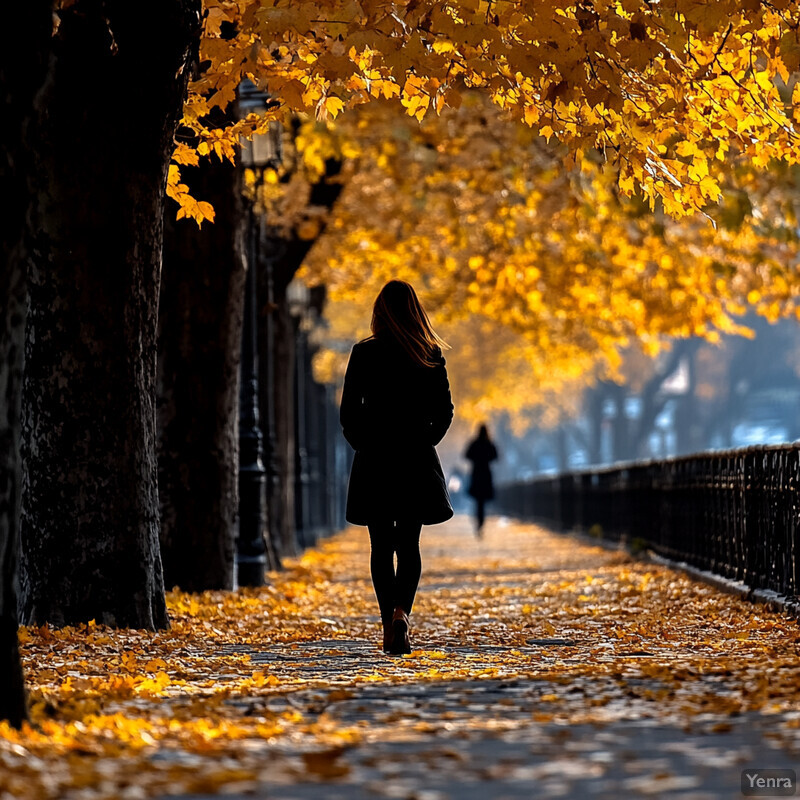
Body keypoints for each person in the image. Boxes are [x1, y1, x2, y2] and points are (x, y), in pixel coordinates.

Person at [340, 280, 454, 655]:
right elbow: (445, 411)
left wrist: (364, 443)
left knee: (380, 546)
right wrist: (425, 440)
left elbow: (348, 412)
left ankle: (388, 618)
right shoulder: (429, 353)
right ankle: (402, 612)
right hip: (414, 460)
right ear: (415, 311)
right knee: (409, 544)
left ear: (379, 312)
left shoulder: (364, 353)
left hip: (375, 460)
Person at [465, 423, 498, 535]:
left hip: (477, 473)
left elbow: (466, 455)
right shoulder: (489, 443)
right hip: (485, 474)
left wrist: (476, 459)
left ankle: (479, 521)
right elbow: (496, 456)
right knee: (482, 501)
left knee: (479, 500)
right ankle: (481, 521)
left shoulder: (474, 443)